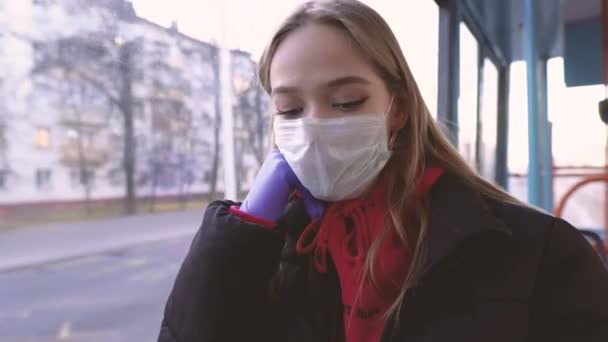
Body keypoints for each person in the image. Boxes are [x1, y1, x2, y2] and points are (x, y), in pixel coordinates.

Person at [157, 1, 608, 341]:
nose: (315, 129)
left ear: (398, 109)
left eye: (347, 101)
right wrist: (246, 227)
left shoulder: (536, 250)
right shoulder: (272, 251)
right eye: (290, 109)